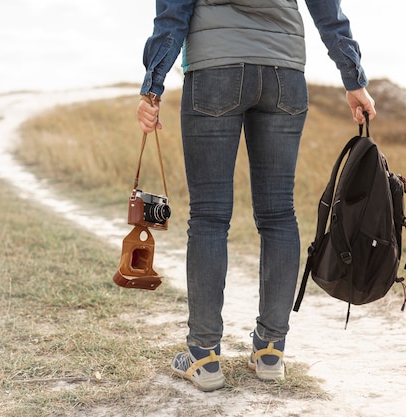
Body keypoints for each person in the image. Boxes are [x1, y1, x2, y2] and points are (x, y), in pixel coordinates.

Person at [137, 0, 376, 392]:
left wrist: (152, 87)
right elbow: (326, 9)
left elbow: (172, 13)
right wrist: (353, 78)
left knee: (210, 217)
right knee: (279, 213)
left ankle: (204, 356)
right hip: (283, 71)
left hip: (215, 69)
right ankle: (270, 351)